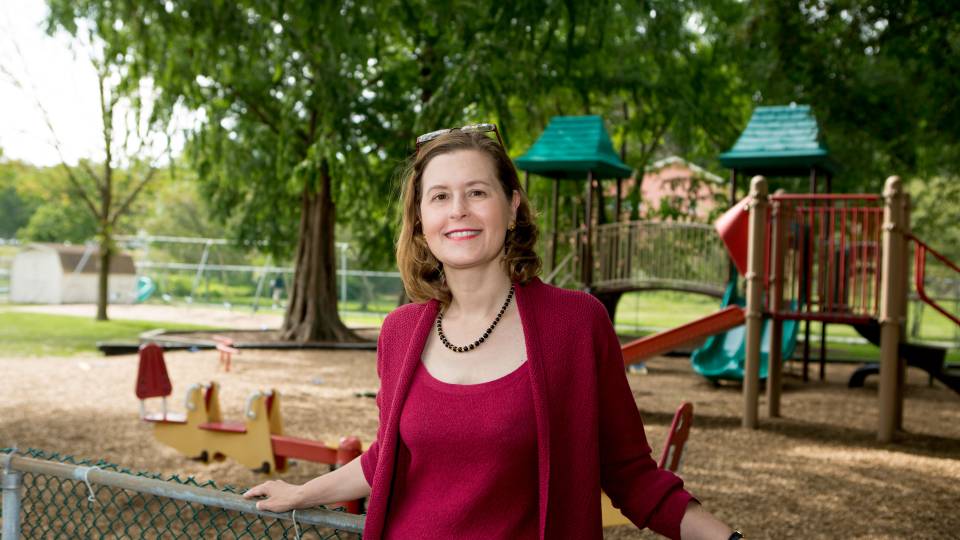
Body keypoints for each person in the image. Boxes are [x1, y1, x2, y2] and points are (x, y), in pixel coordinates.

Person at [244, 125, 741, 540]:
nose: (457, 209)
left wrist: (727, 537)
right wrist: (302, 493)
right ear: (421, 221)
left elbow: (632, 476)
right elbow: (388, 458)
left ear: (514, 206)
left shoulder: (576, 324)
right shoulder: (399, 332)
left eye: (477, 192)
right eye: (440, 197)